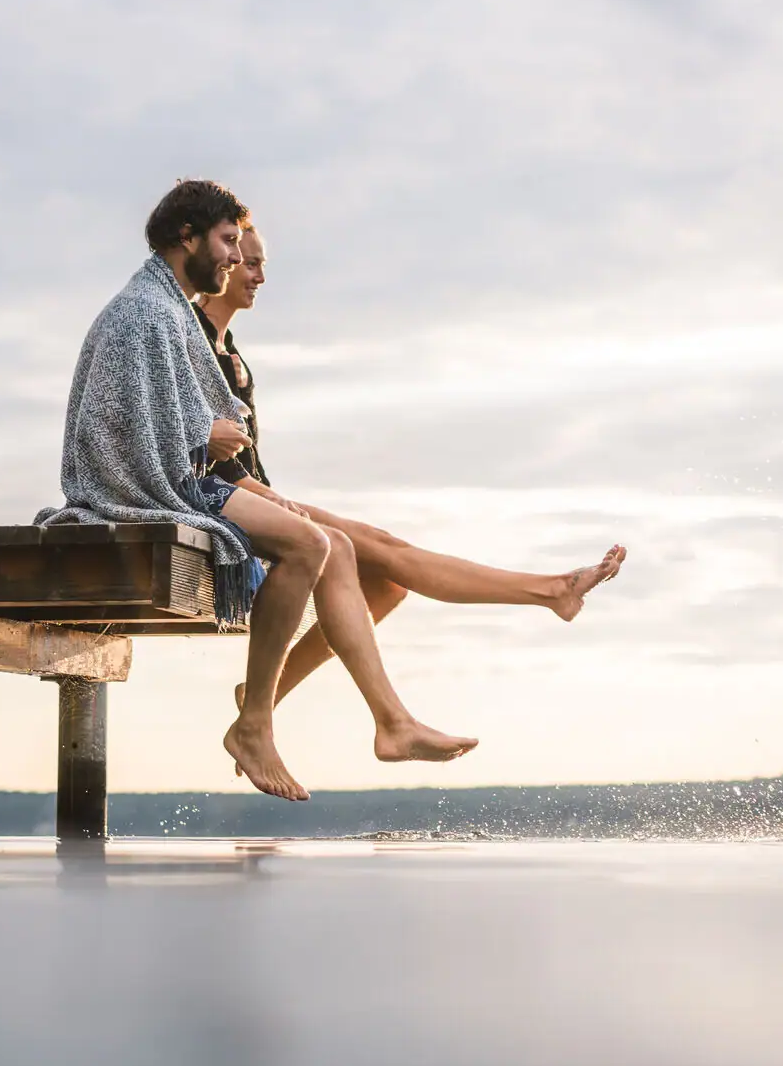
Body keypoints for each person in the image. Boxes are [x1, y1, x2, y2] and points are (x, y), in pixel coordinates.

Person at [39, 180, 475, 803]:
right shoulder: (148, 313)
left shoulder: (166, 305)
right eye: (225, 242)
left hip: (178, 479)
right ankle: (257, 725)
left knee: (328, 544)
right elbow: (124, 427)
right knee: (306, 544)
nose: (232, 257)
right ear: (185, 237)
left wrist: (208, 435)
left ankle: (387, 722)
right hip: (144, 490)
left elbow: (168, 414)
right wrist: (204, 434)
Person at [187, 221, 627, 717]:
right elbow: (200, 455)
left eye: (263, 263)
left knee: (390, 578)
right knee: (377, 553)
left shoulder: (229, 350)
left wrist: (268, 496)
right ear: (219, 261)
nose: (260, 275)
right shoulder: (192, 339)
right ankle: (550, 590)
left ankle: (265, 697)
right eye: (250, 262)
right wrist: (272, 503)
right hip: (226, 500)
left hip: (256, 494)